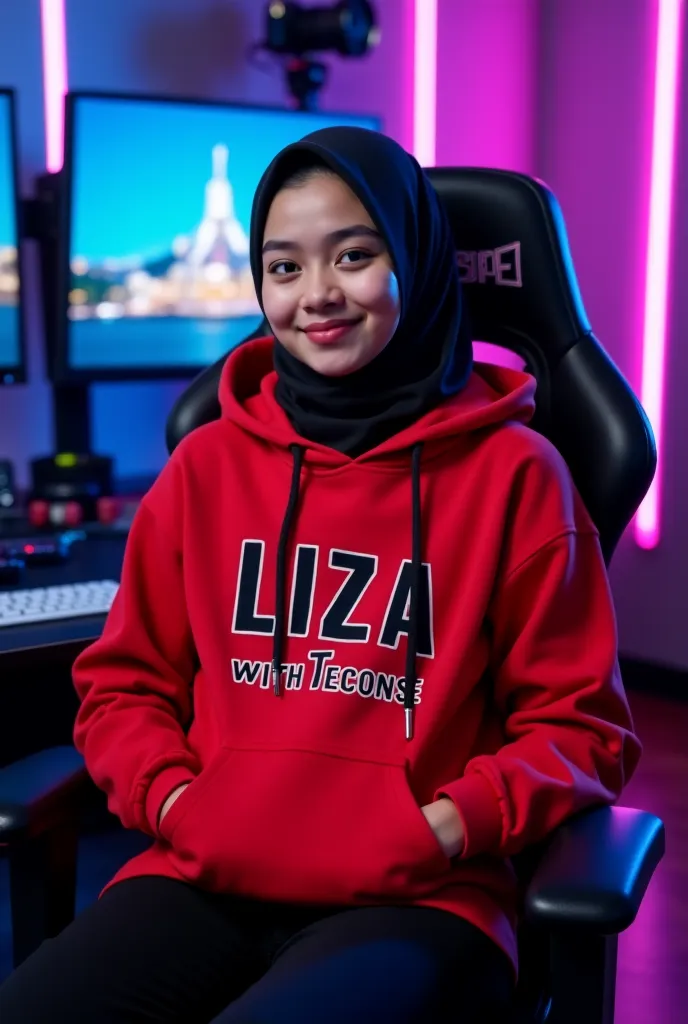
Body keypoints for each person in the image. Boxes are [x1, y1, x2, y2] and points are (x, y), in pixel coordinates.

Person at [0, 127, 641, 1023]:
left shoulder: (518, 476)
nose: (318, 296)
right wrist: (178, 803)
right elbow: (122, 686)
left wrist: (443, 826)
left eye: (353, 254)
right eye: (285, 266)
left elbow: (582, 731)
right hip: (203, 873)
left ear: (412, 263)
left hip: (419, 897)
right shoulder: (207, 467)